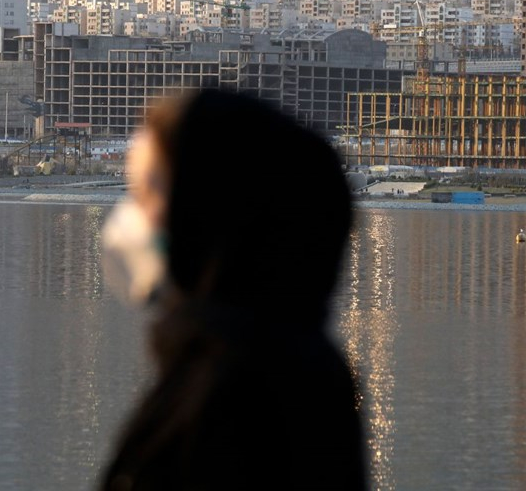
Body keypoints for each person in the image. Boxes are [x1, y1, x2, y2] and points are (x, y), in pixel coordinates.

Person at [99, 88, 366, 490]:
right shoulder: (286, 360)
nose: (131, 218)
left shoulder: (232, 392)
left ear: (205, 211)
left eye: (146, 194)